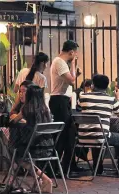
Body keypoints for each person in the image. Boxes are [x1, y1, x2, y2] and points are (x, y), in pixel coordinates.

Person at [79, 74, 119, 174]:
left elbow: (78, 110)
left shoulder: (83, 97)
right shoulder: (111, 100)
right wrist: (118, 98)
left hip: (82, 137)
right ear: (107, 87)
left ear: (92, 86)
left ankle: (97, 168)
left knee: (98, 134)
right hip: (100, 137)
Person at [9, 84, 53, 193]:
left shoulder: (26, 108)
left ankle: (45, 179)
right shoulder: (45, 109)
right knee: (25, 153)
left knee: (16, 154)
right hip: (48, 148)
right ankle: (38, 183)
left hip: (33, 148)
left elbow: (13, 121)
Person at [49, 40, 81, 174]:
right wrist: (73, 64)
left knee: (69, 133)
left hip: (62, 100)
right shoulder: (60, 62)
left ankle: (68, 165)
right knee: (62, 134)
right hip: (59, 100)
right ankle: (55, 167)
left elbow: (70, 79)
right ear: (71, 52)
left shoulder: (60, 62)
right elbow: (71, 80)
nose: (75, 56)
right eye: (75, 53)